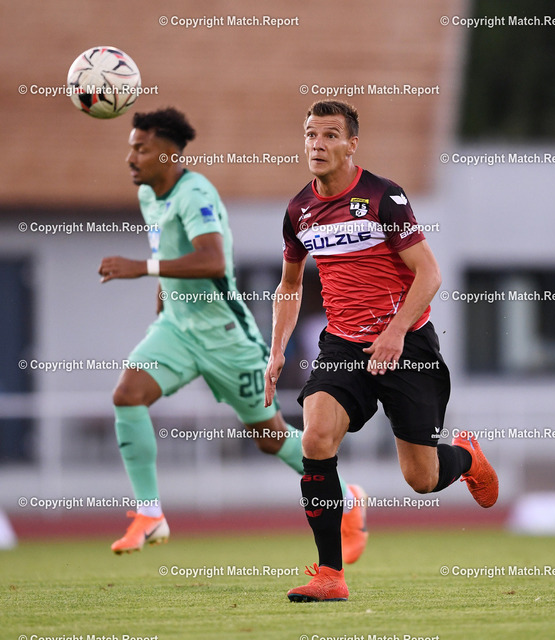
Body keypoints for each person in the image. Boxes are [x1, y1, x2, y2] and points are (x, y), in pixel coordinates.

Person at [98, 107, 368, 561]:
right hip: (177, 329)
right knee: (127, 395)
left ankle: (348, 499)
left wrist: (141, 268)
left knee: (270, 437)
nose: (131, 157)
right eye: (131, 147)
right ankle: (149, 514)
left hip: (225, 335)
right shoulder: (148, 194)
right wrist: (162, 300)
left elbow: (211, 259)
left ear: (168, 154)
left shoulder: (195, 193)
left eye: (141, 149)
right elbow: (170, 251)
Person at [264, 100, 498, 602]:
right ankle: (330, 575)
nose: (317, 144)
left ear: (352, 144)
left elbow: (429, 273)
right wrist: (276, 349)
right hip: (343, 346)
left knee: (421, 478)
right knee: (315, 437)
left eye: (330, 135)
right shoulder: (299, 210)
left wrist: (395, 331)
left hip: (407, 344)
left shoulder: (382, 196)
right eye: (311, 135)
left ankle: (466, 457)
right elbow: (289, 284)